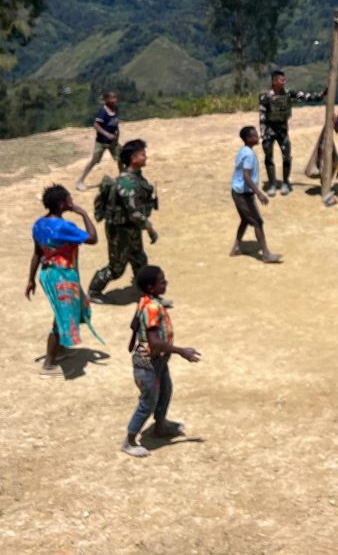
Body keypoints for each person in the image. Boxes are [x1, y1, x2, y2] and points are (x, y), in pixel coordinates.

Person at [122, 265, 201, 457]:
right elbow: (155, 342)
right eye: (162, 281)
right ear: (151, 287)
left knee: (165, 391)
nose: (166, 283)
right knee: (148, 401)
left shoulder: (146, 300)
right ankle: (129, 441)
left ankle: (160, 426)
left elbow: (134, 323)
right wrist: (181, 351)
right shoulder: (151, 307)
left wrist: (132, 342)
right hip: (147, 364)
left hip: (158, 361)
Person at [25, 184, 102, 376]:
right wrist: (83, 213)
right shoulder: (65, 227)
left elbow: (37, 253)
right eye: (69, 199)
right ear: (61, 204)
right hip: (62, 276)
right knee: (61, 318)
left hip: (48, 274)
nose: (72, 202)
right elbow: (93, 238)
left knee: (67, 311)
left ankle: (59, 351)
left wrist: (31, 279)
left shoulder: (39, 224)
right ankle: (49, 364)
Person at [88, 138, 158, 302]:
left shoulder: (136, 178)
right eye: (142, 154)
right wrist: (150, 228)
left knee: (139, 260)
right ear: (133, 159)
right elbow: (135, 213)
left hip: (131, 228)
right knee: (116, 268)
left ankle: (147, 294)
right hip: (119, 231)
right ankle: (93, 291)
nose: (146, 157)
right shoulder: (127, 183)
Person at [258, 70, 325, 196]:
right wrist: (262, 133)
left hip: (282, 130)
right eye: (282, 80)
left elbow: (306, 97)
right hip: (269, 130)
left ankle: (285, 182)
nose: (284, 82)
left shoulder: (288, 93)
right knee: (268, 155)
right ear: (275, 81)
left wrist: (320, 95)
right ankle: (272, 183)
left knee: (286, 156)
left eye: (284, 80)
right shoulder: (265, 96)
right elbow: (262, 114)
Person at [229, 126, 283, 263]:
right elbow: (246, 176)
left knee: (245, 220)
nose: (257, 137)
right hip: (242, 194)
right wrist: (259, 193)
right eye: (254, 135)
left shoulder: (243, 150)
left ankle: (236, 247)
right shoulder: (248, 155)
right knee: (258, 222)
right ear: (248, 139)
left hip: (238, 192)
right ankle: (266, 254)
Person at [75, 90, 121, 190]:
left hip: (113, 141)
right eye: (112, 98)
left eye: (115, 98)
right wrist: (107, 134)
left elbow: (115, 122)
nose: (115, 100)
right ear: (106, 100)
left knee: (121, 158)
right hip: (101, 142)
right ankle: (80, 181)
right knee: (94, 160)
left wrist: (117, 133)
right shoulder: (103, 111)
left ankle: (123, 178)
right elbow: (96, 125)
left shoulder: (115, 109)